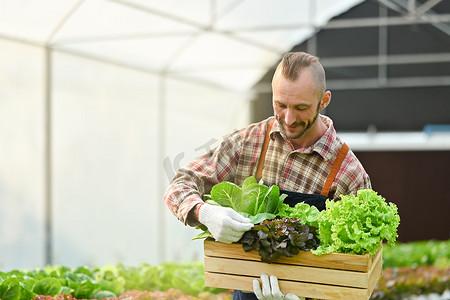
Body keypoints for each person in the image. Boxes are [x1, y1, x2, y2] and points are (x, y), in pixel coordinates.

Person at [163, 52, 371, 300]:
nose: (289, 119)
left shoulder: (348, 173)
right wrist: (204, 213)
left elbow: (358, 275)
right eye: (280, 105)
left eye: (301, 108)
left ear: (323, 100)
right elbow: (180, 184)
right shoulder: (248, 142)